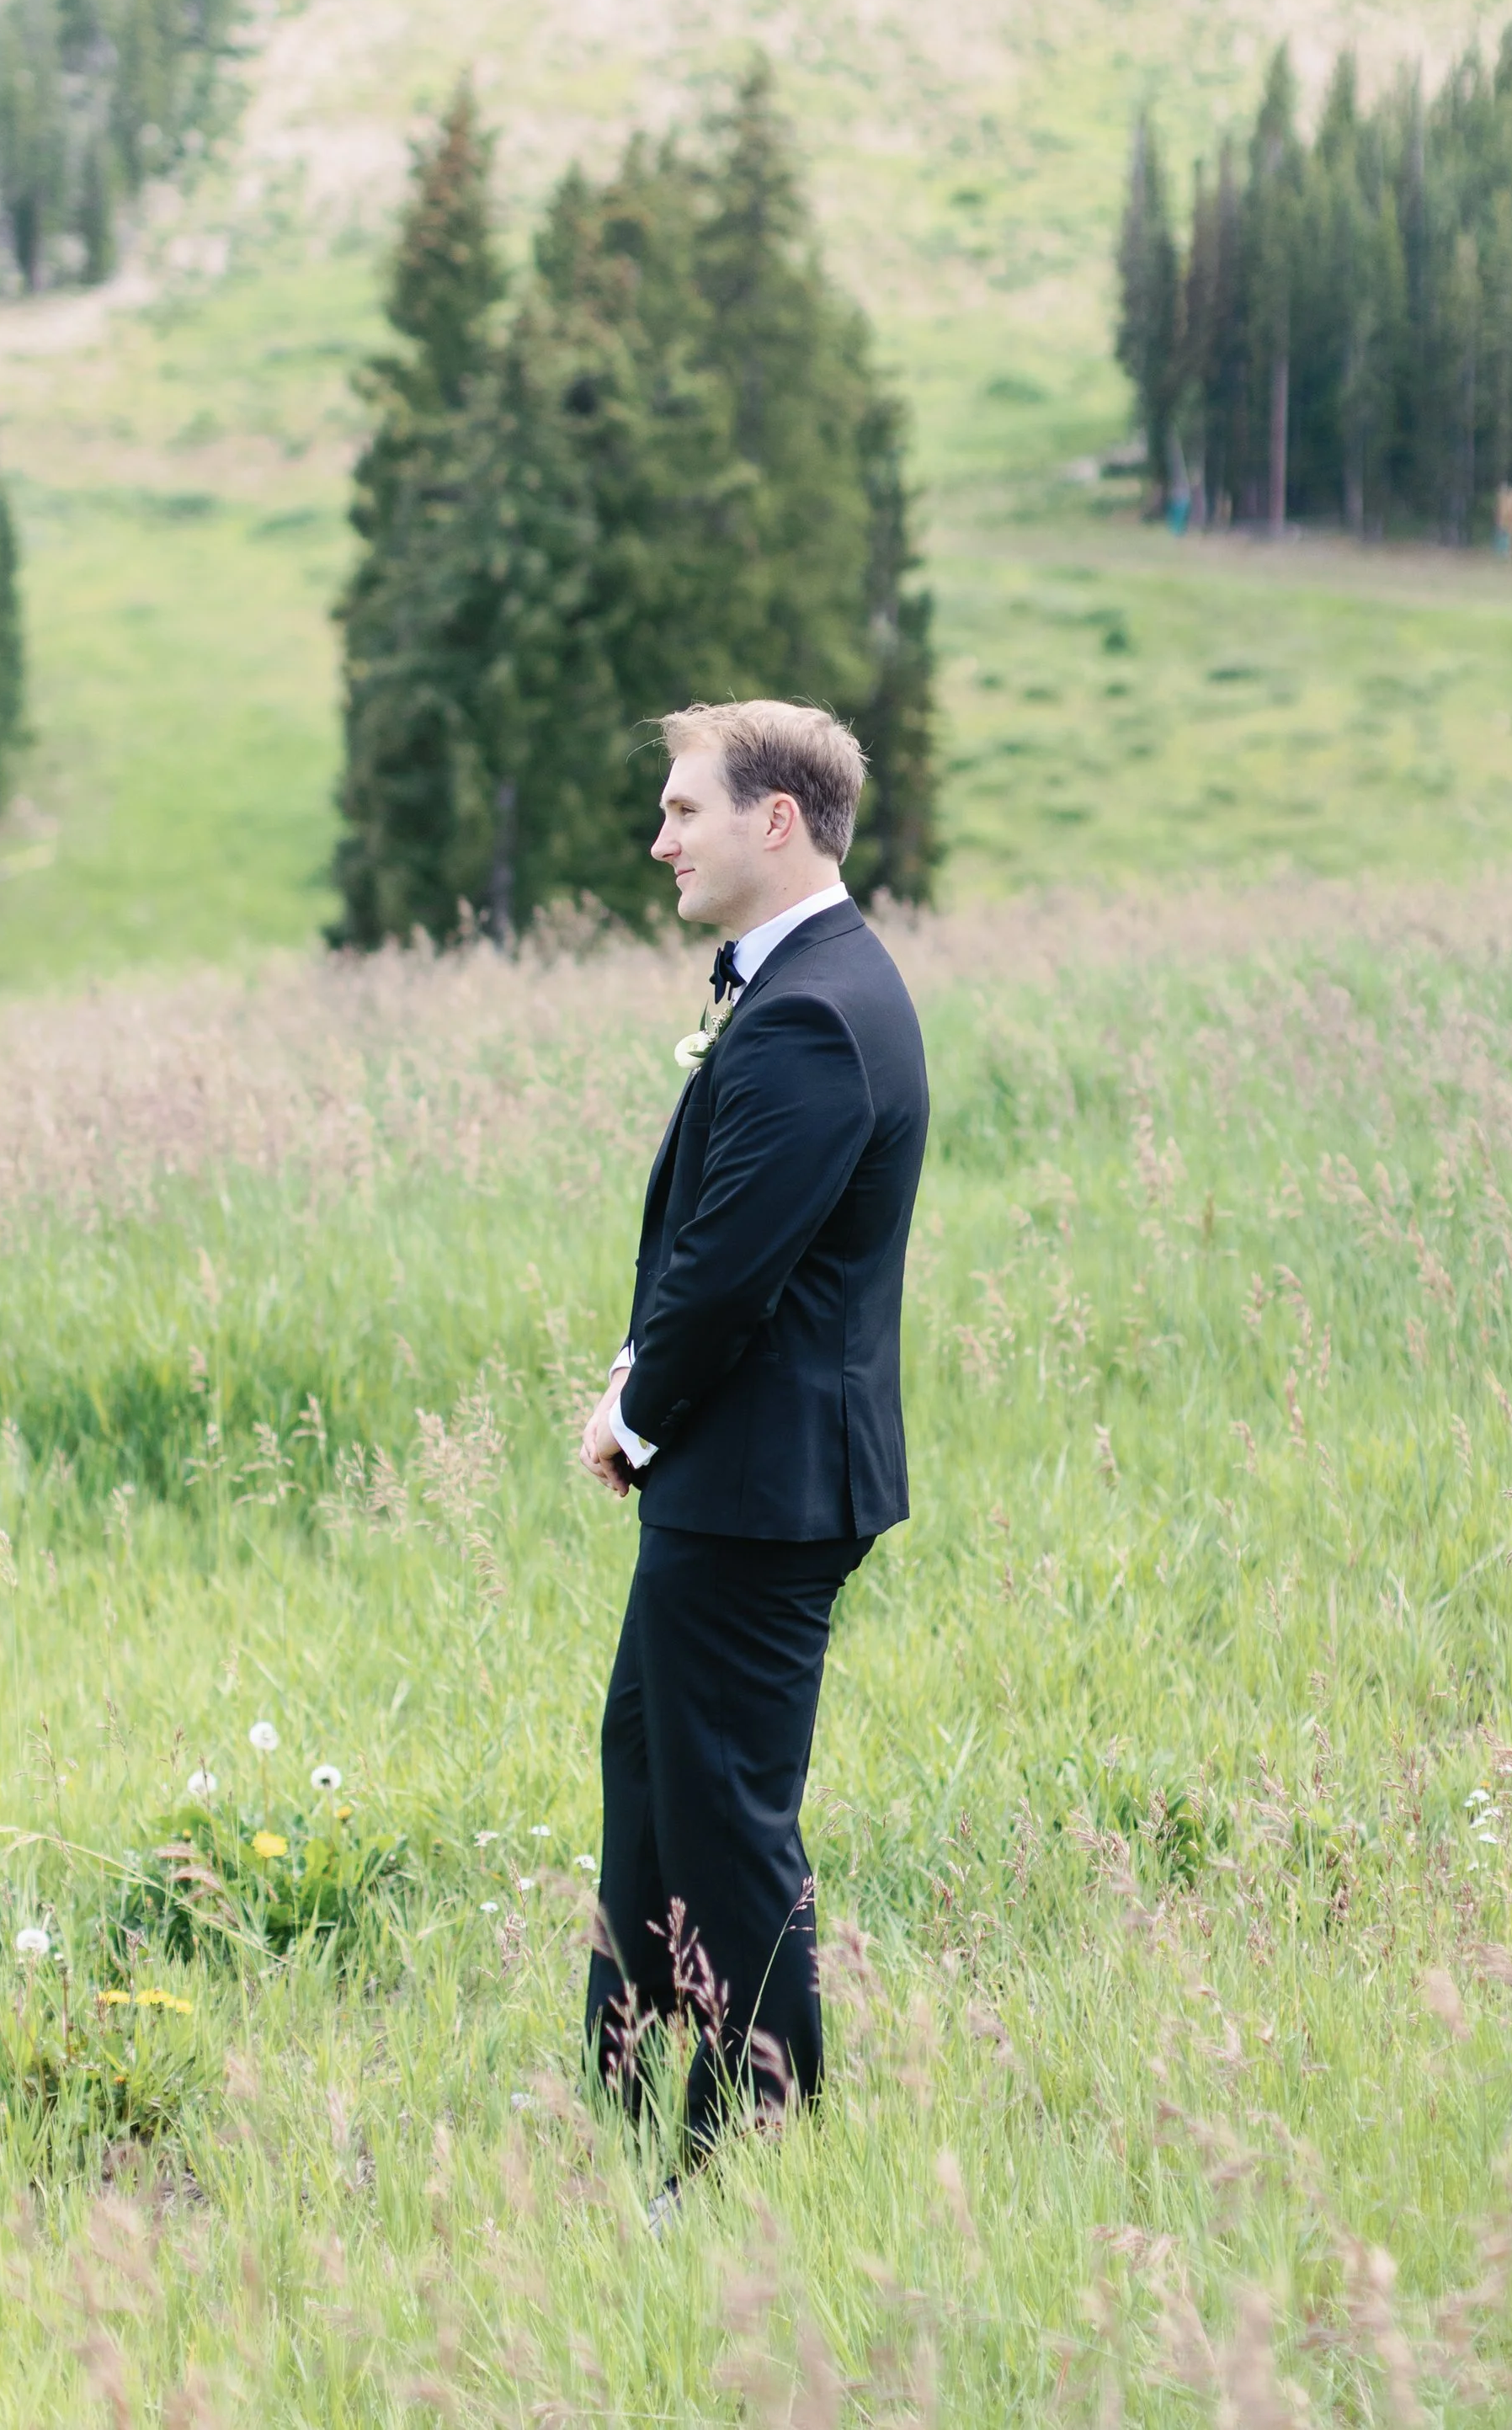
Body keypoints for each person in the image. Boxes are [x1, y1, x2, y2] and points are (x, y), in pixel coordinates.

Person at [578, 699, 929, 2172]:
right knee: (653, 1776)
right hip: (744, 1471)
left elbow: (732, 1271)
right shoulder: (811, 984)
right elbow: (737, 1250)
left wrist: (634, 1410)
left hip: (759, 1489)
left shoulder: (811, 1013)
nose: (660, 838)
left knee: (724, 1824)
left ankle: (745, 2157)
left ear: (773, 822)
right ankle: (613, 2094)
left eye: (683, 812)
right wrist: (646, 1370)